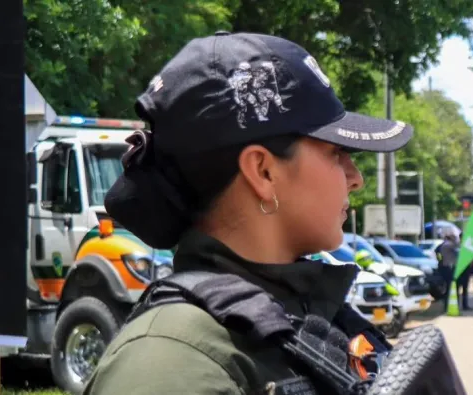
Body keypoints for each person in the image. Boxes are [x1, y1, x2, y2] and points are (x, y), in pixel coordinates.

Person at [83, 32, 414, 394]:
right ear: (263, 172)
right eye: (336, 152)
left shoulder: (308, 318)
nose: (356, 178)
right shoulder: (168, 365)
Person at [436, 233, 459, 306]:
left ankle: (445, 303)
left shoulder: (441, 245)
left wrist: (440, 260)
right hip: (448, 268)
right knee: (450, 286)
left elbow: (437, 253)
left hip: (442, 267)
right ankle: (448, 304)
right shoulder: (449, 245)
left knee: (445, 286)